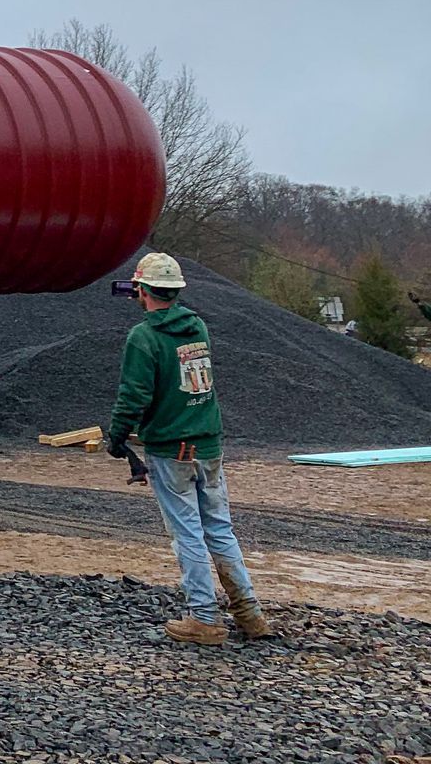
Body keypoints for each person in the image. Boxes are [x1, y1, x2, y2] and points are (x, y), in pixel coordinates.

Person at [105, 252, 269, 645]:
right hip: (209, 443)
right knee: (219, 527)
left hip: (171, 448)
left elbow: (135, 394)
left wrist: (117, 434)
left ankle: (204, 618)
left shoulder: (143, 337)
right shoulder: (197, 327)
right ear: (176, 291)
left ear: (142, 290)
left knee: (188, 533)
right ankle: (250, 616)